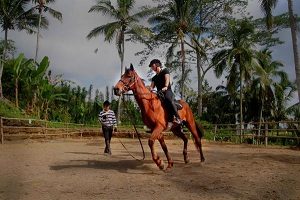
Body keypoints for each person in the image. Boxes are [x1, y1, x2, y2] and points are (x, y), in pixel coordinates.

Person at [148, 59, 182, 125]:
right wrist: (148, 88)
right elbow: (151, 87)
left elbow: (167, 79)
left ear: (156, 65)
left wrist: (166, 86)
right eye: (151, 66)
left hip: (167, 91)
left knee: (169, 100)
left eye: (152, 66)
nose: (152, 67)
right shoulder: (154, 78)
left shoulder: (165, 71)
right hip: (159, 93)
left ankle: (178, 118)